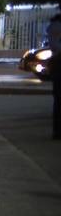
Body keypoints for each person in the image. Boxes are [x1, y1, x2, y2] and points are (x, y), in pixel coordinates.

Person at [47, 9, 61, 140]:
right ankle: (57, 130)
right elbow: (56, 47)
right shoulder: (56, 26)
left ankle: (57, 130)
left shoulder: (54, 26)